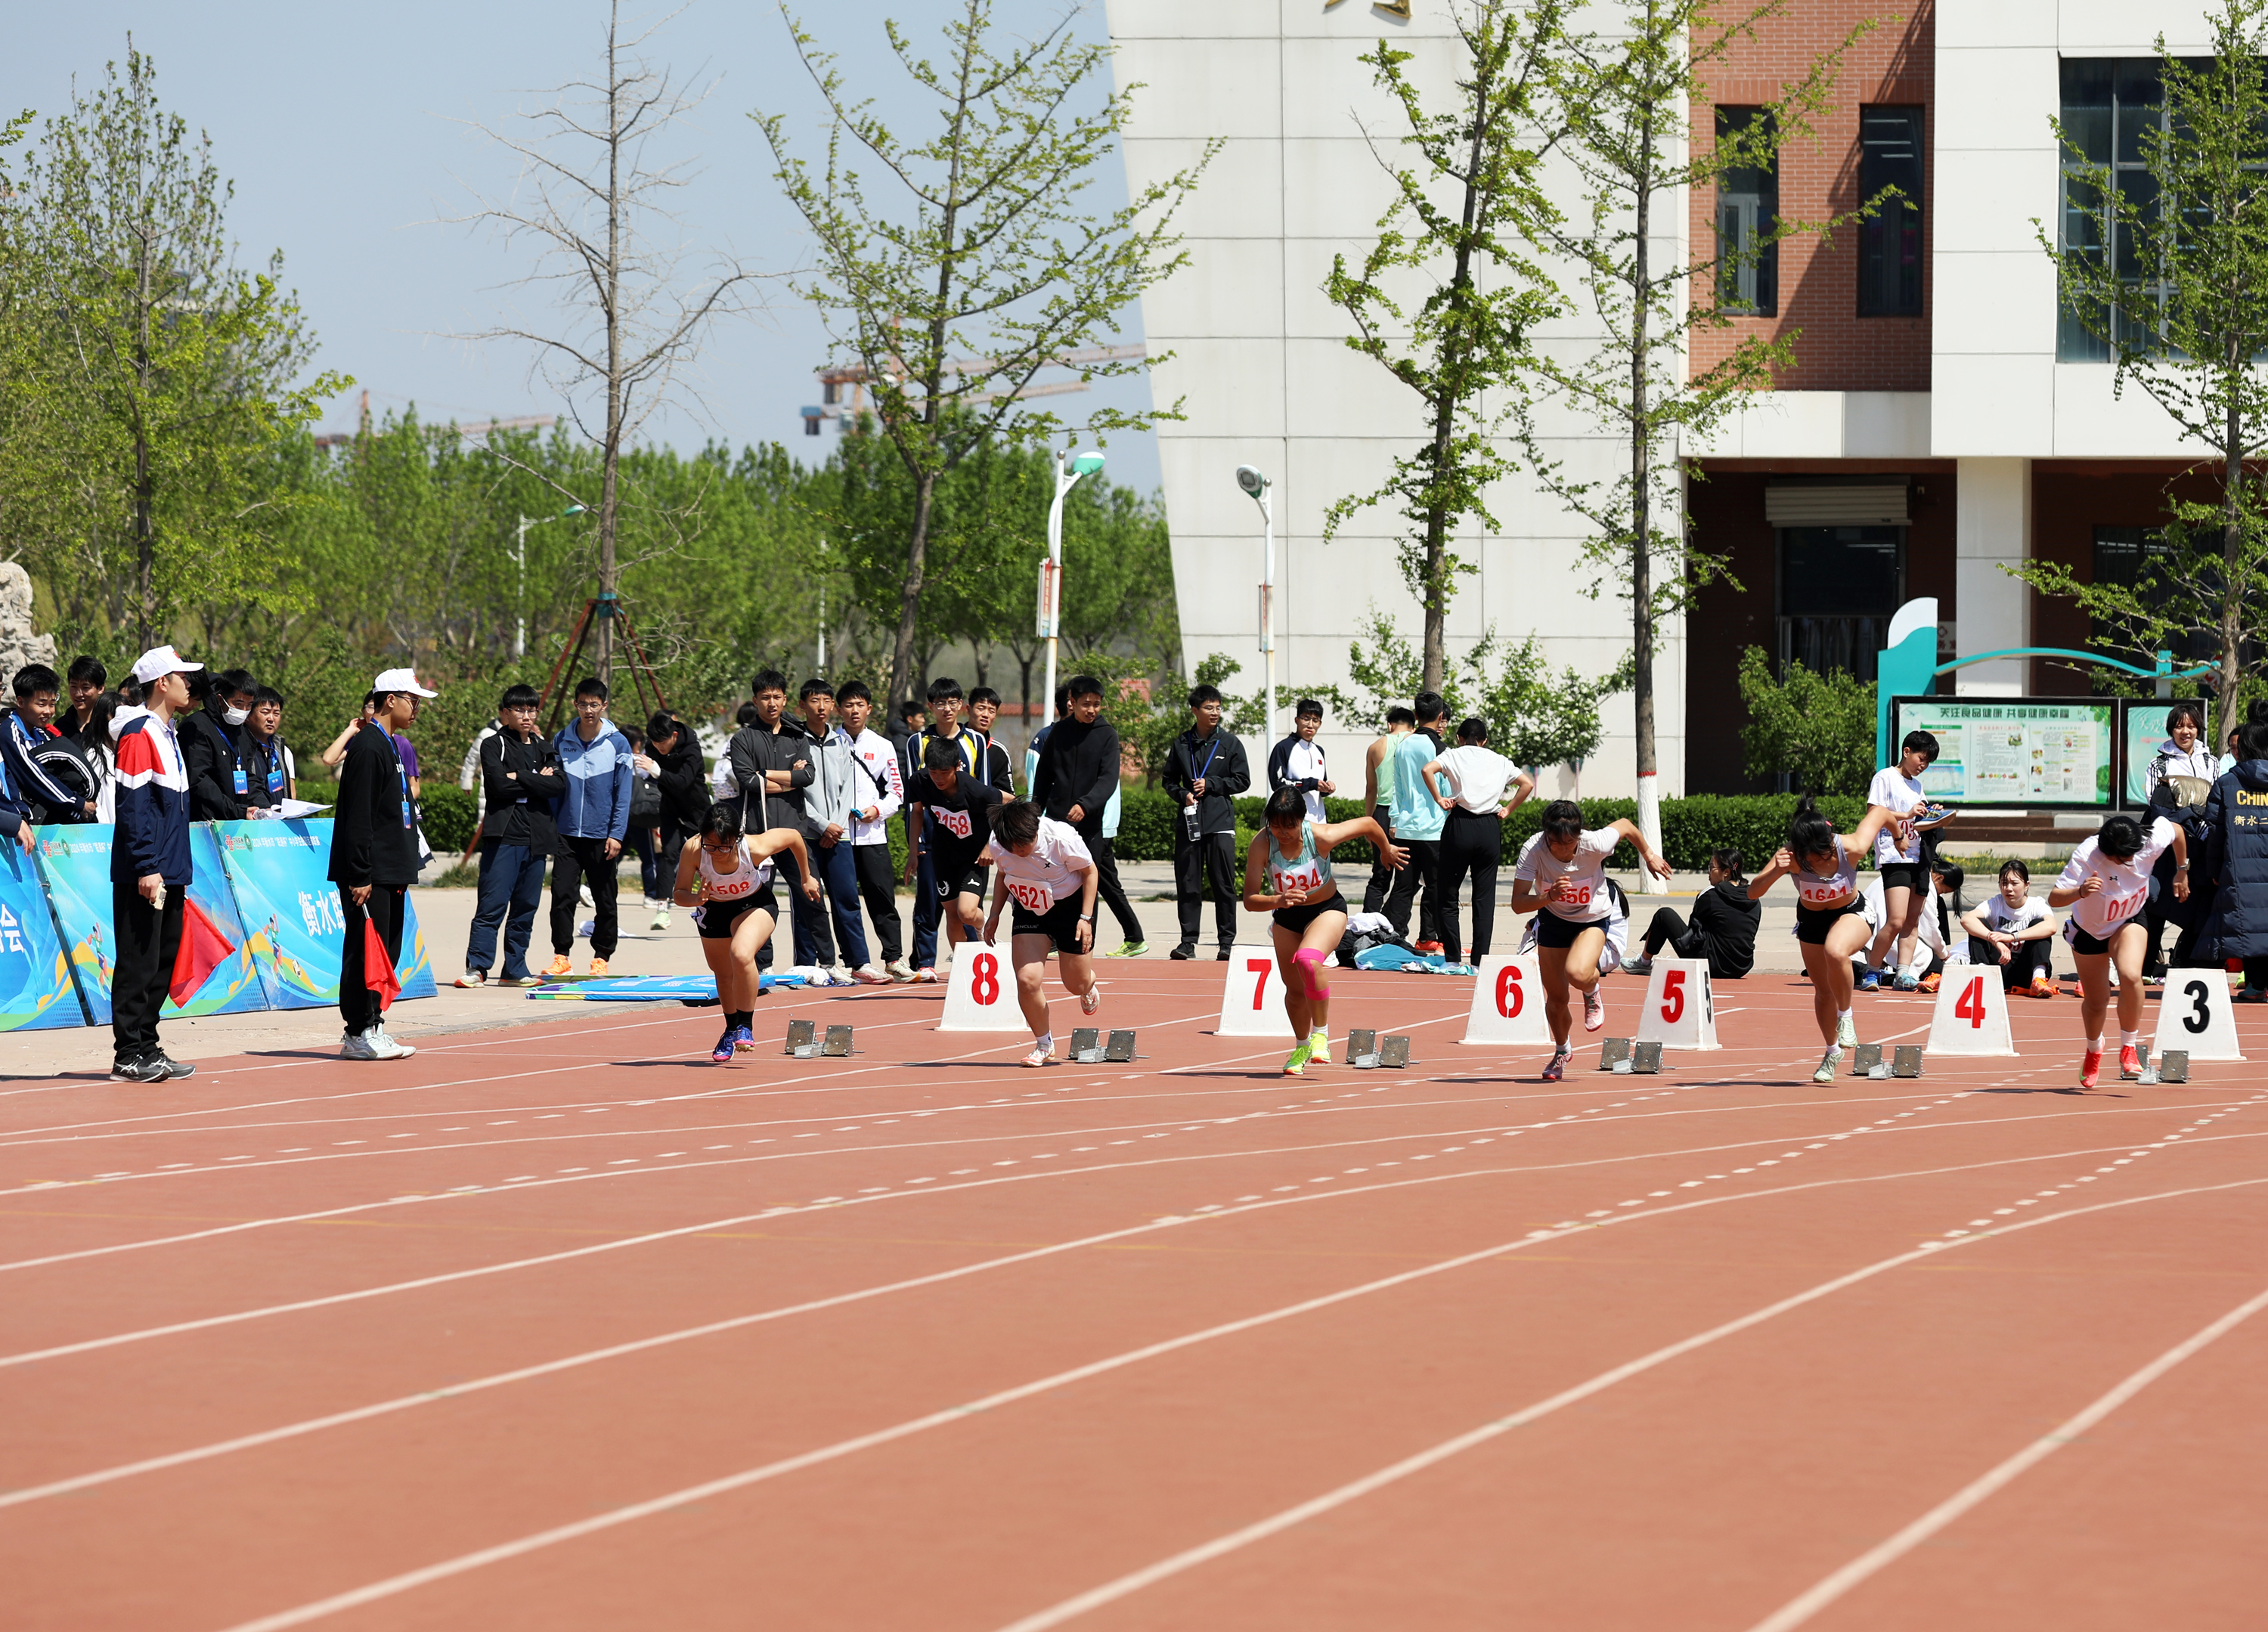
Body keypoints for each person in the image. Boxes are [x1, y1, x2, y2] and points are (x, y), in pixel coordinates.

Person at [1748, 797, 1917, 1083]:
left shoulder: (1852, 846)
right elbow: (1753, 893)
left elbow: (1880, 812)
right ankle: (1832, 1051)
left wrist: (1899, 837)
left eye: (1824, 853)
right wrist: (1776, 870)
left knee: (1836, 951)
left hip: (1852, 913)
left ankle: (1846, 1015)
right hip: (1812, 922)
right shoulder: (1789, 855)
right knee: (1823, 992)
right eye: (1812, 857)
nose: (1820, 860)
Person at [1241, 785, 1406, 1076]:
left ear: (1302, 820)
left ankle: (1321, 1035)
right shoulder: (1262, 844)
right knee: (1295, 991)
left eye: (1289, 826)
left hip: (1326, 910)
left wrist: (1386, 849)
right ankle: (1302, 1046)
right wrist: (1278, 900)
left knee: (1308, 960)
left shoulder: (1321, 837)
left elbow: (1369, 824)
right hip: (1287, 916)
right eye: (1276, 826)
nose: (1282, 833)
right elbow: (1249, 900)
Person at [1512, 799, 1674, 1081]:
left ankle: (1591, 990)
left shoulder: (1594, 842)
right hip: (1553, 919)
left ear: (1579, 835)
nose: (1562, 851)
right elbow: (1517, 903)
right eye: (1555, 844)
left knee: (1577, 973)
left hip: (1592, 918)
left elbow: (1625, 826)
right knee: (1557, 999)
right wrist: (1549, 896)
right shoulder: (1533, 850)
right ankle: (1562, 1050)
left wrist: (1649, 855)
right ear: (1546, 835)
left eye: (1569, 844)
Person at [331, 668, 435, 1061]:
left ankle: (373, 1025)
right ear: (390, 700)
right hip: (370, 874)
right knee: (365, 952)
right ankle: (358, 1030)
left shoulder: (390, 744)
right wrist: (360, 873)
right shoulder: (368, 746)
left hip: (391, 870)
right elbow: (359, 817)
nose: (417, 708)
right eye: (413, 700)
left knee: (386, 953)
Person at [109, 646, 200, 1082]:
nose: (191, 684)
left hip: (171, 870)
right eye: (184, 677)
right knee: (138, 963)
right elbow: (133, 807)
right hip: (145, 872)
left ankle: (148, 1046)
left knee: (161, 963)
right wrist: (147, 865)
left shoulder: (168, 733)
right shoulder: (138, 734)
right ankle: (127, 1055)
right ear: (162, 683)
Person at [673, 804, 820, 1064]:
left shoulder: (754, 847)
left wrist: (806, 876)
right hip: (713, 910)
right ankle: (731, 1029)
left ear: (737, 838)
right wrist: (696, 898)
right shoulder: (694, 849)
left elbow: (794, 837)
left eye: (724, 847)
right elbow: (679, 893)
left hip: (754, 904)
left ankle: (745, 1025)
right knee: (723, 973)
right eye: (710, 846)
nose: (716, 853)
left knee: (741, 954)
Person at [2052, 812, 2189, 1086]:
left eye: (2127, 856)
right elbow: (2054, 898)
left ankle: (2129, 1047)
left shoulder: (2150, 841)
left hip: (2129, 919)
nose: (2121, 862)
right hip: (2090, 930)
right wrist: (2080, 891)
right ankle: (2094, 1049)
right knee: (2097, 1002)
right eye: (2115, 857)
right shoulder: (2088, 854)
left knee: (2130, 975)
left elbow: (2177, 830)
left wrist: (2182, 869)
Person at [981, 798, 1102, 1068]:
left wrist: (1086, 919)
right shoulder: (999, 843)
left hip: (1071, 907)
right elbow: (1002, 875)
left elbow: (1090, 872)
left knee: (1075, 984)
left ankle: (1088, 985)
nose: (1017, 851)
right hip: (1029, 907)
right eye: (1012, 846)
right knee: (1027, 980)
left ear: (1035, 832)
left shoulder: (1061, 838)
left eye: (1023, 845)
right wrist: (995, 914)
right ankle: (1044, 1044)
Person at [1029, 674, 1144, 954]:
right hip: (1056, 823)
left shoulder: (1107, 735)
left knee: (1087, 882)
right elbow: (1043, 777)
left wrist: (1086, 805)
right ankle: (1055, 938)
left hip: (1090, 824)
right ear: (1072, 702)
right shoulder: (1058, 732)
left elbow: (1108, 779)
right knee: (1054, 878)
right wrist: (1034, 814)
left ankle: (1083, 942)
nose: (1091, 710)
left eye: (1096, 704)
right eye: (1086, 704)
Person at [457, 685, 561, 988]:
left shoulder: (544, 747)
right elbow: (498, 786)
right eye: (520, 710)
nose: (527, 716)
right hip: (504, 836)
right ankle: (477, 967)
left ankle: (514, 969)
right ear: (505, 713)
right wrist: (536, 780)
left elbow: (558, 786)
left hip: (537, 838)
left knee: (525, 908)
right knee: (492, 905)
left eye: (532, 710)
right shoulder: (494, 744)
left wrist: (520, 776)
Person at [1423, 717, 1534, 962]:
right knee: (1484, 897)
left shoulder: (1453, 755)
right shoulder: (1499, 760)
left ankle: (1452, 957)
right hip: (1488, 828)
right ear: (1484, 741)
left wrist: (1440, 798)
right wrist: (1508, 809)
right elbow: (1527, 783)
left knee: (1448, 894)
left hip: (1460, 825)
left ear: (1459, 738)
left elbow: (1427, 769)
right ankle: (1479, 961)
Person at [545, 677, 634, 979]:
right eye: (583, 704)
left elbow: (623, 793)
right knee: (562, 896)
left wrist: (616, 833)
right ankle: (561, 956)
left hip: (602, 836)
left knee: (605, 898)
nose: (588, 710)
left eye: (594, 705)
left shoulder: (618, 743)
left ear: (604, 705)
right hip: (567, 834)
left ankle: (601, 957)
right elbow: (553, 787)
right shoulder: (561, 740)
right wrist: (553, 827)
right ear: (575, 705)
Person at [793, 678, 881, 983]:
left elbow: (847, 788)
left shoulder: (841, 743)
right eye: (814, 700)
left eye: (826, 701)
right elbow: (796, 792)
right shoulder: (795, 743)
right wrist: (821, 824)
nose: (821, 707)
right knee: (808, 900)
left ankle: (859, 962)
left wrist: (837, 825)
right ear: (802, 705)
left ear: (833, 706)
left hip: (838, 834)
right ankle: (807, 964)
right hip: (807, 834)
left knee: (847, 899)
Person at [903, 678, 987, 978]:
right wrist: (914, 847)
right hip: (935, 838)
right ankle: (931, 963)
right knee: (933, 904)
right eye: (940, 703)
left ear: (961, 705)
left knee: (966, 909)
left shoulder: (975, 741)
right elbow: (915, 804)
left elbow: (989, 795)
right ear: (931, 707)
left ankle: (980, 948)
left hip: (972, 838)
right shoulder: (917, 742)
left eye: (953, 703)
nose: (947, 709)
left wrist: (990, 843)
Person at [1161, 683, 1250, 959]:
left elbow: (1243, 780)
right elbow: (1168, 780)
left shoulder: (1230, 743)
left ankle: (1226, 942)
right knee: (1188, 883)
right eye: (1209, 708)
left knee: (1223, 883)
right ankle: (1188, 942)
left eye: (1218, 708)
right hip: (1189, 822)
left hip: (1220, 821)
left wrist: (1212, 784)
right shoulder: (1181, 743)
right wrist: (1183, 794)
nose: (1215, 712)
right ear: (1195, 710)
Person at [835, 682, 909, 980]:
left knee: (882, 899)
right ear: (838, 709)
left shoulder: (882, 745)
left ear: (869, 709)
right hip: (838, 836)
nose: (854, 711)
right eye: (848, 705)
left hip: (873, 835)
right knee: (844, 901)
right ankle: (853, 961)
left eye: (860, 705)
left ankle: (894, 958)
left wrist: (876, 811)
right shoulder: (829, 742)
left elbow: (896, 792)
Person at [905, 736, 1007, 952]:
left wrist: (990, 845)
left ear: (957, 767)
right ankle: (961, 964)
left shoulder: (975, 790)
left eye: (945, 772)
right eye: (934, 772)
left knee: (967, 913)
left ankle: (982, 923)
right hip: (944, 854)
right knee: (953, 915)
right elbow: (917, 812)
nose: (938, 778)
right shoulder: (919, 781)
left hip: (974, 857)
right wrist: (913, 852)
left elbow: (1008, 802)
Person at [2139, 701, 2218, 977]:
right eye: (2179, 726)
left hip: (2201, 845)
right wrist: (2189, 815)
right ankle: (2146, 965)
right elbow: (2156, 803)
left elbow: (2215, 804)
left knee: (2197, 903)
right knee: (2157, 901)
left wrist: (2195, 819)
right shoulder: (2158, 763)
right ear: (2171, 729)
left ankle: (2186, 962)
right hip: (2166, 846)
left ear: (2199, 729)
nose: (2186, 731)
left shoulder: (2210, 761)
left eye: (2191, 726)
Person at [1859, 730, 1941, 992]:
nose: (1923, 765)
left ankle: (1903, 973)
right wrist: (1906, 814)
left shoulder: (1917, 786)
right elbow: (1874, 812)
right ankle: (1872, 970)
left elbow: (1920, 818)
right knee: (1896, 920)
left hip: (1919, 856)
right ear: (1906, 752)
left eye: (1928, 762)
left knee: (1912, 921)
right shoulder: (1885, 777)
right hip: (1895, 856)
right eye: (1921, 758)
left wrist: (1932, 813)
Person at [2201, 722, 2268, 1002]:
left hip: (2239, 869)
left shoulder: (2227, 784)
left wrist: (2214, 869)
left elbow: (2215, 834)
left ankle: (2255, 984)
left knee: (2250, 923)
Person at [1625, 848, 1761, 981]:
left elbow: (1693, 928)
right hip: (1741, 967)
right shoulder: (1754, 899)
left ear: (1726, 872)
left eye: (1711, 867)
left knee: (1664, 915)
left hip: (1709, 965)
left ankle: (1644, 962)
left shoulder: (1711, 894)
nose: (1708, 872)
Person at [1384, 692, 1452, 952]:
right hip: (1434, 830)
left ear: (1415, 715)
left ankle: (1394, 938)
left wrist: (1395, 819)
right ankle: (1437, 938)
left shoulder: (1403, 745)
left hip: (1406, 828)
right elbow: (1447, 788)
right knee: (1436, 887)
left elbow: (1398, 788)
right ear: (1440, 716)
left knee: (1403, 888)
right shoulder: (1440, 749)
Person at [3, 664, 100, 823]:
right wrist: (78, 803)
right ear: (20, 702)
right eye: (41, 704)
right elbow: (33, 775)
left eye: (52, 704)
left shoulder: (43, 734)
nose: (48, 711)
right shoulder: (9, 732)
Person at [643, 711, 710, 931]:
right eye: (655, 743)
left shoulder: (692, 748)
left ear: (674, 735)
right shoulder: (652, 746)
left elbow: (683, 782)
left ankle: (714, 901)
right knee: (667, 853)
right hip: (670, 808)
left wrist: (656, 771)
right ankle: (662, 909)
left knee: (706, 856)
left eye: (662, 743)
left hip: (696, 810)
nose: (659, 748)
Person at [1961, 859, 2058, 996]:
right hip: (2000, 965)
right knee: (1978, 925)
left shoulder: (2036, 905)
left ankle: (2038, 979)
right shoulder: (1994, 903)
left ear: (2027, 885)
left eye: (2014, 883)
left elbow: (2051, 927)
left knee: (2039, 925)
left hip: (2026, 969)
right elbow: (1967, 920)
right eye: (2004, 883)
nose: (2008, 888)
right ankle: (1982, 975)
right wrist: (1996, 941)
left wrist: (2012, 937)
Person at [179, 666, 261, 822]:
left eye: (249, 705)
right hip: (204, 823)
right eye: (238, 704)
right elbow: (198, 780)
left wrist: (263, 806)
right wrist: (235, 811)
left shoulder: (242, 732)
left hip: (236, 820)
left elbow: (247, 776)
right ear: (220, 699)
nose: (243, 710)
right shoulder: (198, 726)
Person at [1361, 706, 1415, 913]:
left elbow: (1371, 788)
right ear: (1412, 726)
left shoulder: (1375, 747)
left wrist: (1368, 822)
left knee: (1380, 874)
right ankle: (1395, 923)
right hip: (1408, 813)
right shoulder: (1415, 741)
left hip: (1382, 813)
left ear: (1390, 725)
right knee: (1405, 877)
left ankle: (1369, 921)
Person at [1268, 698, 1336, 824]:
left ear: (1320, 724)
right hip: (1292, 820)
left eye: (1315, 720)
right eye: (1306, 718)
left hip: (1319, 821)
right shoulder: (1283, 748)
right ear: (1297, 720)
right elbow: (1277, 784)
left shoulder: (1319, 751)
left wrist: (1327, 788)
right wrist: (1311, 784)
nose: (1310, 725)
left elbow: (1319, 787)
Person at [246, 687, 296, 810]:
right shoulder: (240, 749)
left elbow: (291, 794)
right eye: (265, 712)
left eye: (276, 713)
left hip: (280, 819)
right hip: (252, 819)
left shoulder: (283, 752)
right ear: (248, 715)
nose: (271, 719)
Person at [57, 655, 107, 748]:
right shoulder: (60, 727)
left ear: (100, 688)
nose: (78, 694)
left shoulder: (108, 724)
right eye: (74, 687)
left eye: (86, 688)